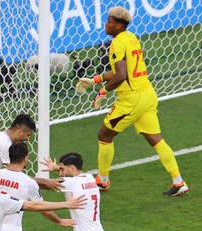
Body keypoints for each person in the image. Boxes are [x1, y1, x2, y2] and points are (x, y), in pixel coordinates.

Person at [76, 6, 189, 196]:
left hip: (132, 99)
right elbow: (121, 70)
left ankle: (102, 180)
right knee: (155, 139)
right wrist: (95, 80)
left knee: (104, 135)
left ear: (119, 25)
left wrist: (102, 91)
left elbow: (121, 75)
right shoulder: (131, 38)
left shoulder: (117, 43)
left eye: (110, 21)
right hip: (147, 94)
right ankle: (178, 182)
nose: (106, 24)